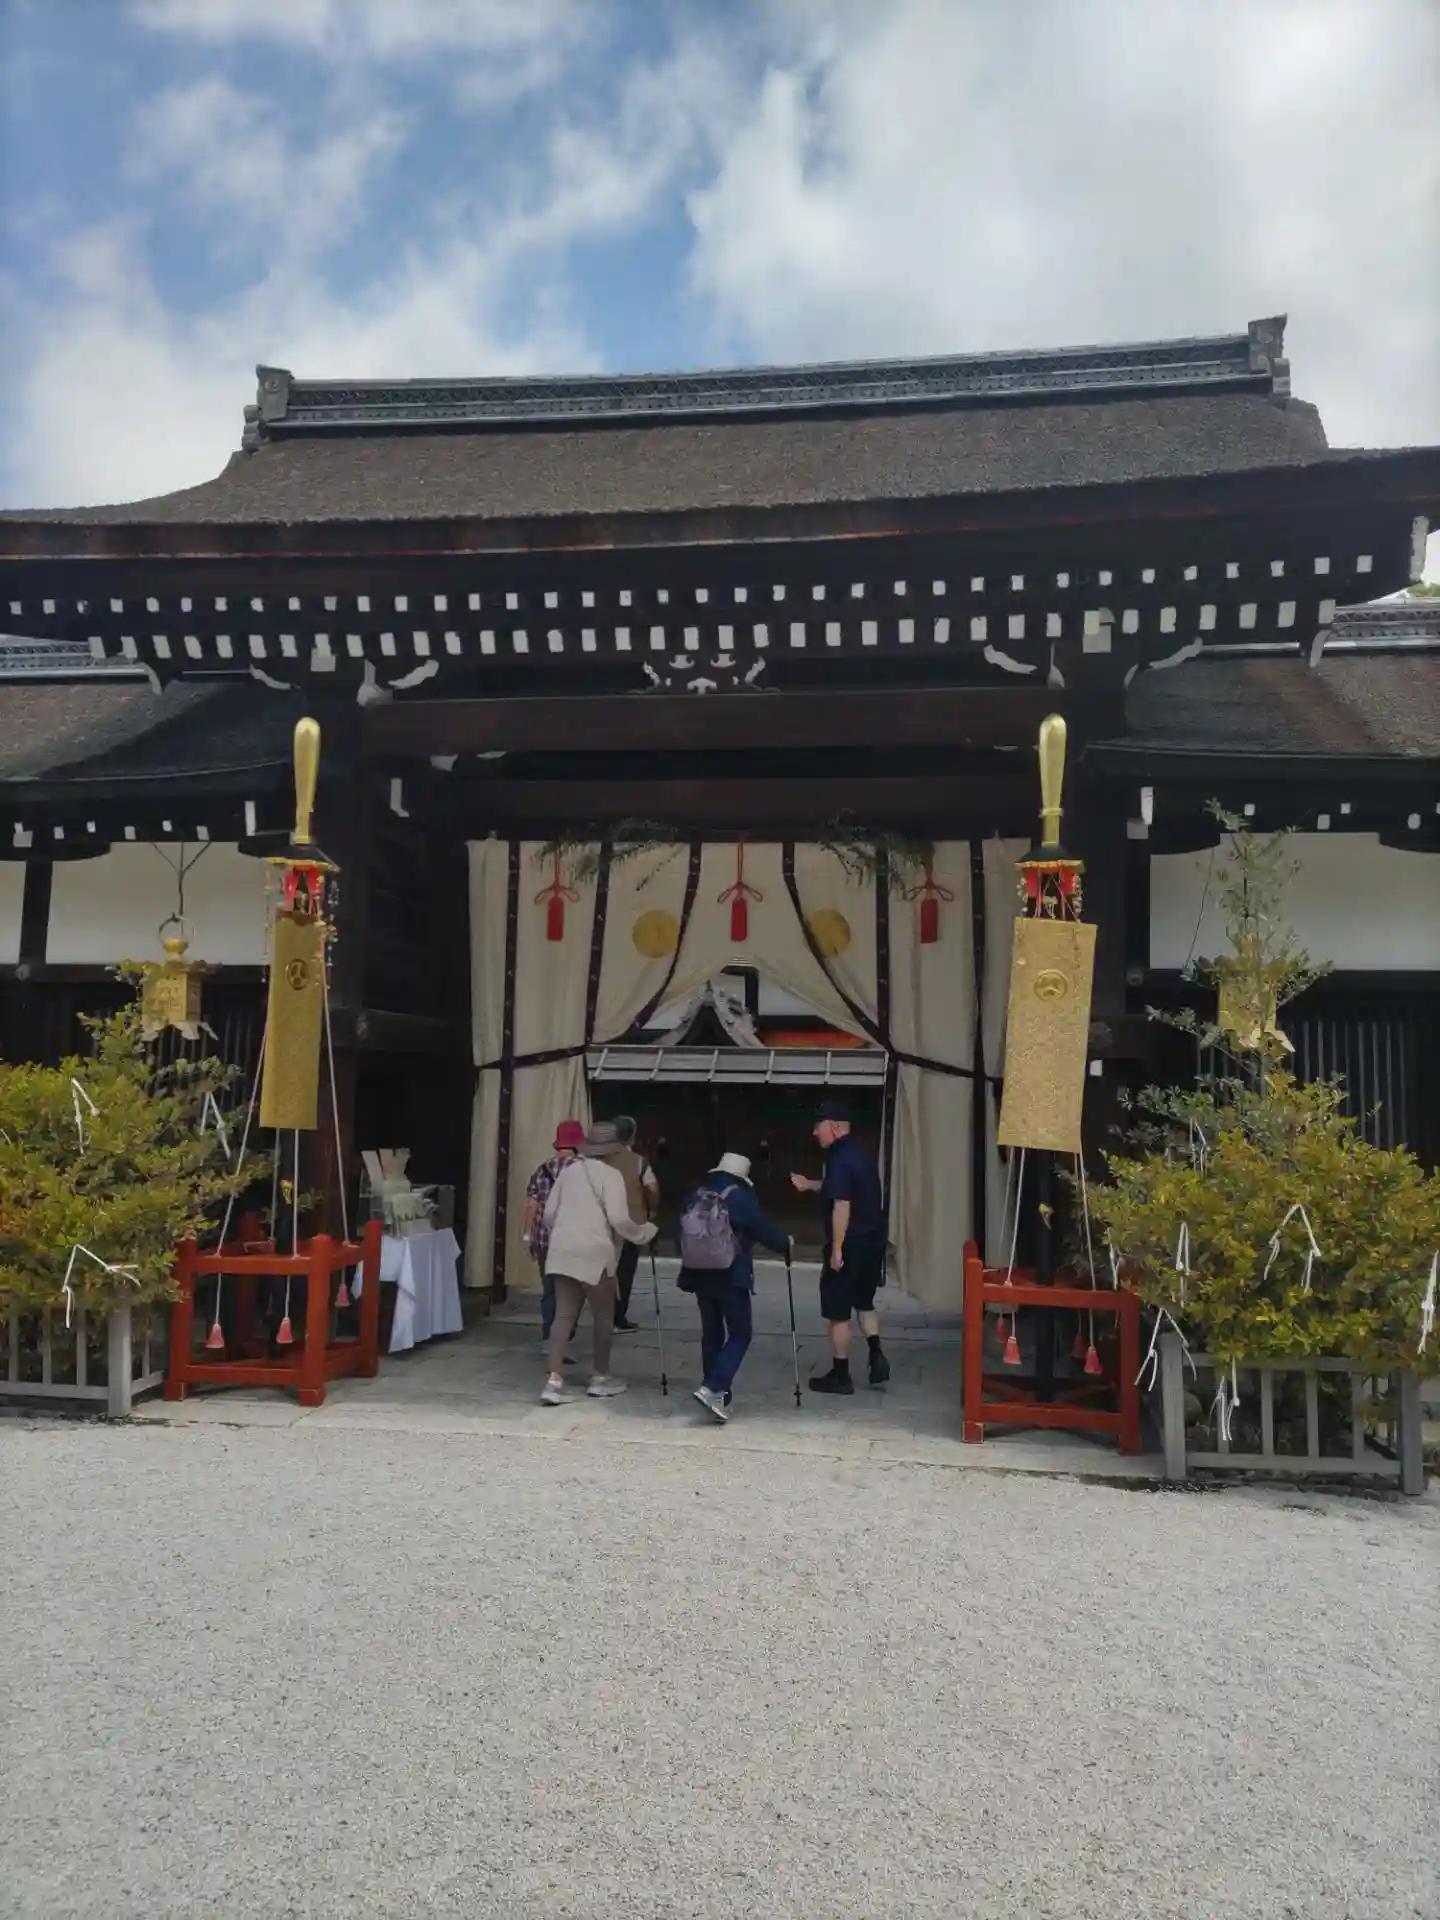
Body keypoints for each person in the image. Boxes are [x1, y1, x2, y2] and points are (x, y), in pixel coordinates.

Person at [540, 1128, 657, 1406]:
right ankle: (600, 1377)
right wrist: (644, 1232)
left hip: (562, 1249)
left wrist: (568, 1233)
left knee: (563, 1316)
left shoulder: (568, 1172)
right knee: (604, 1316)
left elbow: (549, 1214)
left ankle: (553, 1382)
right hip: (595, 1251)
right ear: (612, 1150)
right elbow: (618, 1218)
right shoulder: (611, 1175)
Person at [678, 1152, 790, 1423]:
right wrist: (786, 1244)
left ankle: (718, 1398)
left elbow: (680, 1234)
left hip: (699, 1274)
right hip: (731, 1274)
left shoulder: (695, 1195)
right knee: (740, 1333)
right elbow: (763, 1231)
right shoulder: (741, 1197)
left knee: (712, 1334)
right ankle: (712, 1388)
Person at [791, 1098, 889, 1394]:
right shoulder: (861, 1154)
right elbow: (843, 1188)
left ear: (834, 1126)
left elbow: (842, 1204)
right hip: (873, 1242)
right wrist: (811, 1185)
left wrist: (837, 1249)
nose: (814, 1132)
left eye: (818, 1126)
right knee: (864, 1301)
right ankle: (876, 1354)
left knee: (838, 1310)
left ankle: (841, 1375)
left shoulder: (838, 1158)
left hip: (851, 1244)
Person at [584, 1116, 659, 1332]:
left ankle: (600, 1313)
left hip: (599, 1220)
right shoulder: (638, 1161)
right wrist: (651, 1208)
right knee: (624, 1271)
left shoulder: (596, 1159)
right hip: (630, 1222)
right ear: (632, 1137)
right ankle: (617, 1317)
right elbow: (652, 1188)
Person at [523, 1122, 584, 1358]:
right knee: (572, 1292)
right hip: (574, 1240)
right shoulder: (585, 1170)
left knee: (549, 1290)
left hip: (545, 1240)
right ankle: (564, 1339)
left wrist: (527, 1236)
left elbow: (532, 1205)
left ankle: (549, 1338)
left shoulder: (542, 1170)